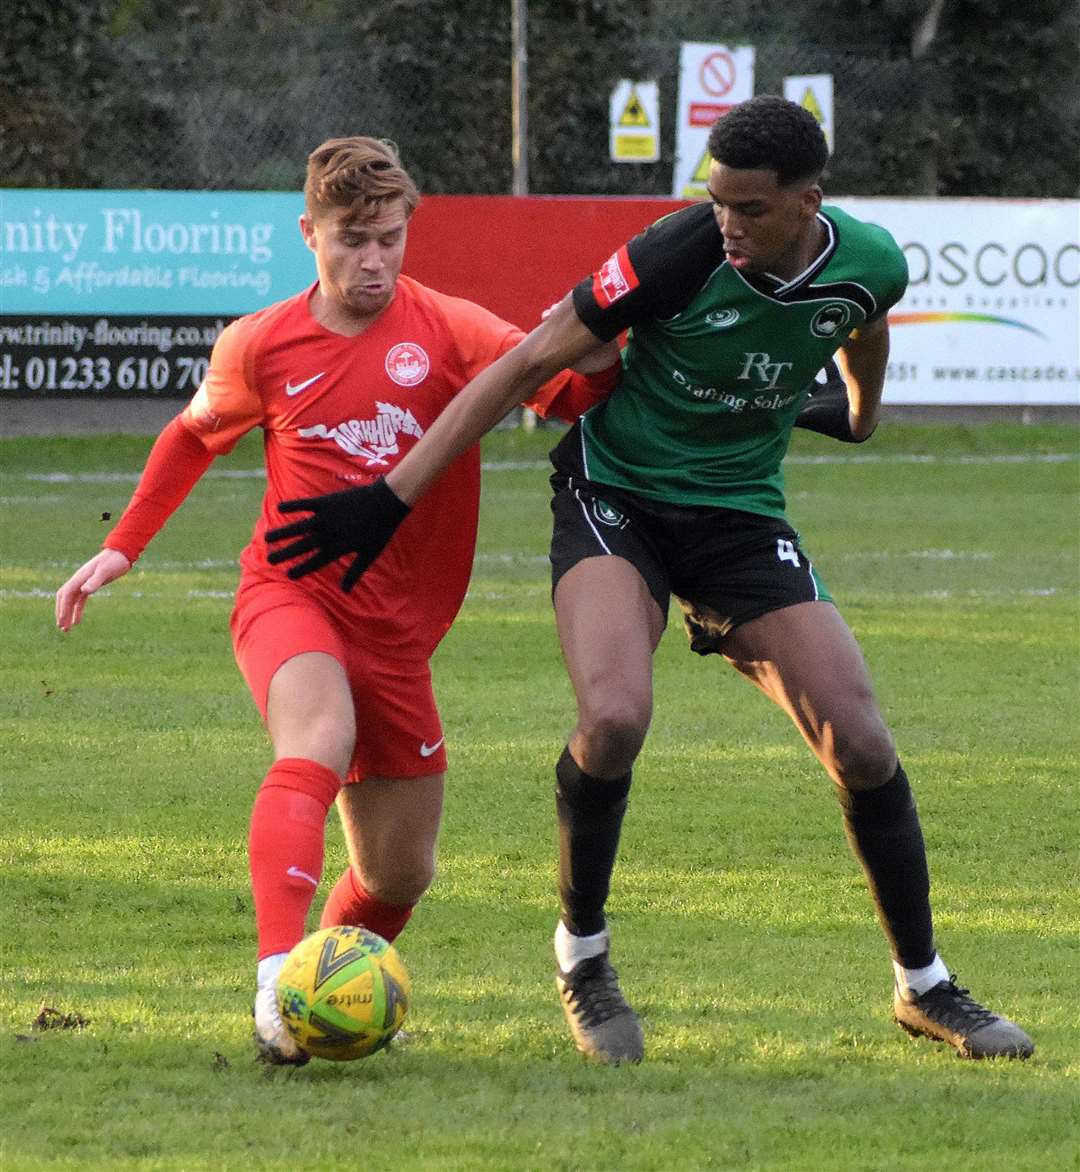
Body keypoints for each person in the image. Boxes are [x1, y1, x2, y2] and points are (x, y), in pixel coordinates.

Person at [264, 97, 1036, 1066]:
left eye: (748, 209)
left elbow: (861, 321)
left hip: (738, 518)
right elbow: (528, 361)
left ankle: (925, 988)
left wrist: (858, 409)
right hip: (613, 496)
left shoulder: (871, 259)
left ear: (808, 202)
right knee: (617, 714)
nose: (726, 223)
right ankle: (583, 959)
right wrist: (391, 495)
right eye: (715, 201)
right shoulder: (676, 252)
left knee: (864, 740)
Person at [54, 136, 619, 1065]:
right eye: (354, 239)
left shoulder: (453, 330)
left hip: (399, 636)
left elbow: (570, 392)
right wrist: (123, 545)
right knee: (318, 739)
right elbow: (195, 436)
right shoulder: (261, 343)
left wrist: (609, 336)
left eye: (391, 239)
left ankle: (325, 1002)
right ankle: (280, 982)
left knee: (398, 873)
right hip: (289, 594)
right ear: (308, 232)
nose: (375, 260)